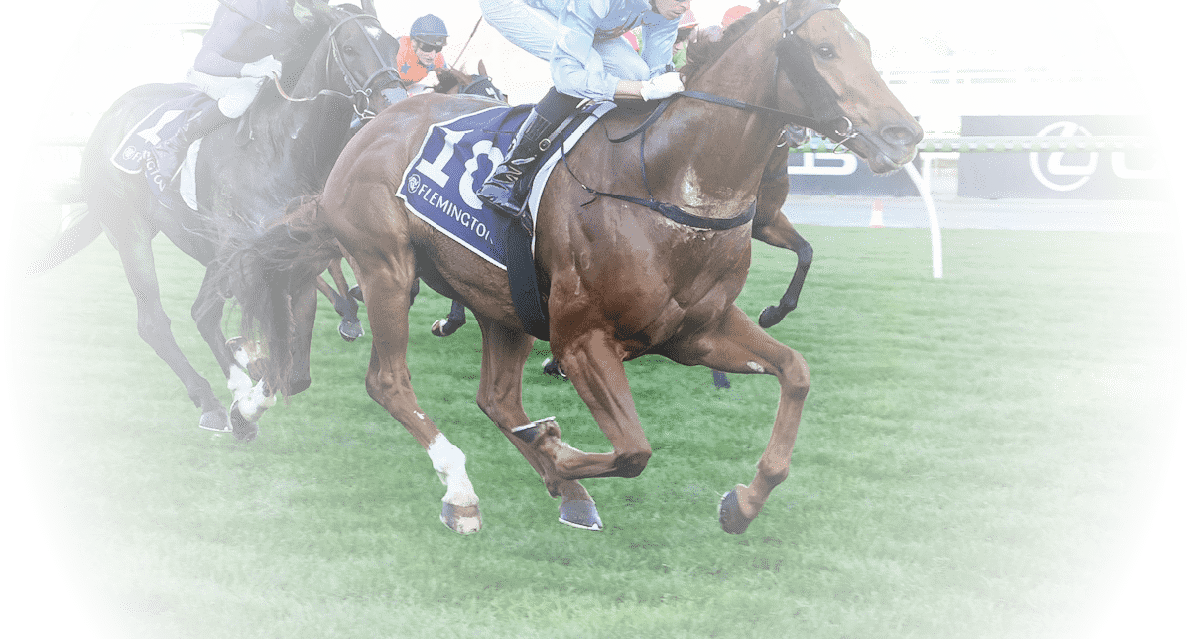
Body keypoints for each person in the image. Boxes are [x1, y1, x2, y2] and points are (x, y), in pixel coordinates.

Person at [476, 0, 692, 222]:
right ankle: (506, 177)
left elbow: (656, 71)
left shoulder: (669, 12)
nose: (685, 6)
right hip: (514, 5)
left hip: (585, 19)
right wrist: (642, 89)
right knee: (588, 68)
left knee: (637, 72)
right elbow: (569, 77)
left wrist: (661, 84)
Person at [148, 0, 316, 191]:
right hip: (213, 73)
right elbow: (204, 61)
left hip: (257, 75)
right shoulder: (251, 4)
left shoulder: (305, 9)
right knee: (243, 97)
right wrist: (251, 69)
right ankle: (175, 144)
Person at [380, 14, 450, 104]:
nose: (432, 55)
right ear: (413, 44)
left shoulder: (437, 57)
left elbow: (449, 84)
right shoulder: (398, 52)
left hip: (408, 86)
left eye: (438, 48)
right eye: (427, 48)